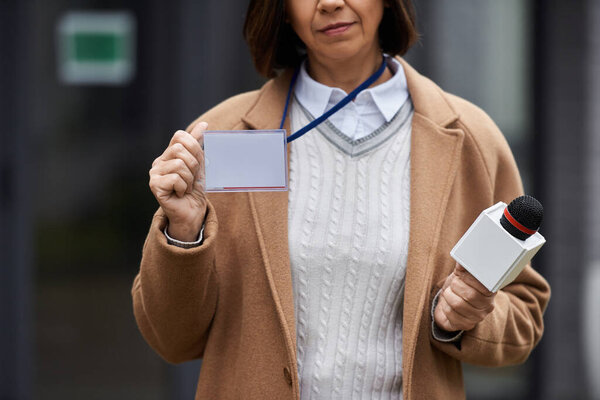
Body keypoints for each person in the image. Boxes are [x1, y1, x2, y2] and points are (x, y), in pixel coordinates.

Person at [132, 0, 551, 398]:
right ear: (281, 11)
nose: (330, 3)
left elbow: (524, 317)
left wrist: (466, 318)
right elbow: (172, 340)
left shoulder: (471, 140)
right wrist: (184, 233)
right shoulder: (222, 136)